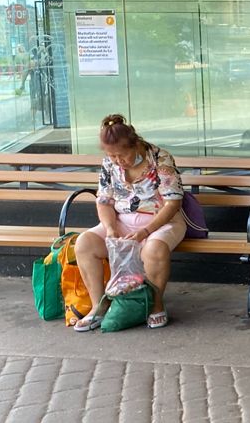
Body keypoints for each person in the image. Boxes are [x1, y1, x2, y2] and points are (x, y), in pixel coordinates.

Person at [73, 114, 187, 331]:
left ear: (135, 145)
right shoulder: (109, 163)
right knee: (84, 243)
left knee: (154, 249)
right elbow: (104, 201)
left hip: (162, 222)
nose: (118, 161)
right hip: (122, 221)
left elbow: (173, 203)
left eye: (122, 155)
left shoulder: (160, 159)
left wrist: (145, 232)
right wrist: (110, 228)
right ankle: (98, 306)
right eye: (112, 156)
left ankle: (156, 305)